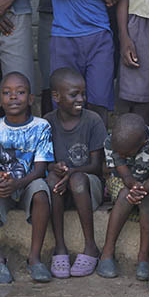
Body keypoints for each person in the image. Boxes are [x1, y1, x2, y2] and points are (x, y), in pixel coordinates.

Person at [0, 72, 54, 284]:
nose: (13, 97)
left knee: (41, 189)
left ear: (30, 99)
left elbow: (39, 170)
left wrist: (17, 184)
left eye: (20, 92)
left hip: (27, 182)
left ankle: (35, 258)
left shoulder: (41, 127)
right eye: (7, 93)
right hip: (4, 186)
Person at [44, 67, 107, 278]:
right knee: (52, 178)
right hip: (61, 187)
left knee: (78, 179)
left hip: (88, 188)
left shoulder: (93, 120)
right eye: (74, 95)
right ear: (56, 96)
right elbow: (44, 162)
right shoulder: (47, 122)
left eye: (83, 93)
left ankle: (91, 246)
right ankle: (60, 246)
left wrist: (71, 173)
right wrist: (55, 168)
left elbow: (97, 166)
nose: (80, 99)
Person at [97, 113, 149, 280]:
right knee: (125, 194)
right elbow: (124, 176)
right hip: (121, 181)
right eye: (119, 153)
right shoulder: (112, 141)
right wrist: (133, 187)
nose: (122, 155)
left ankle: (144, 256)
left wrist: (142, 189)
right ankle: (107, 252)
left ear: (143, 143)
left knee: (147, 198)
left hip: (147, 186)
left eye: (126, 153)